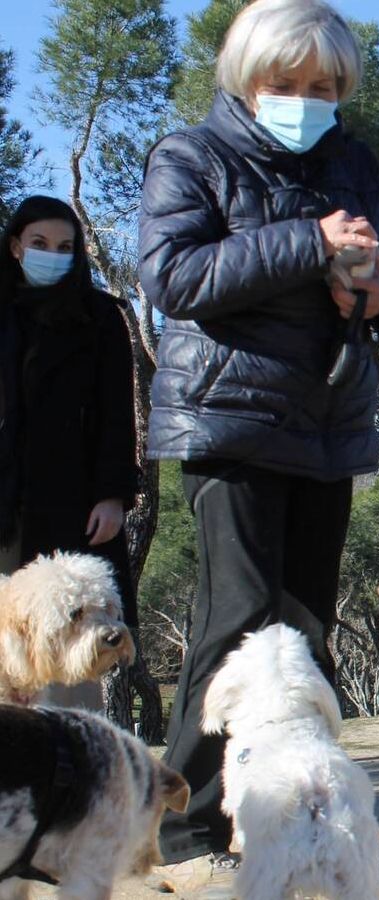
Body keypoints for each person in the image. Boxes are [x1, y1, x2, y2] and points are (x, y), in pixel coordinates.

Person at [136, 0, 379, 892]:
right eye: (285, 83)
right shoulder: (191, 156)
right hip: (230, 424)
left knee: (305, 627)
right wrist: (309, 242)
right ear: (245, 78)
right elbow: (173, 278)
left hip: (329, 424)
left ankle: (300, 827)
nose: (305, 98)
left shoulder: (355, 162)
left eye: (324, 86)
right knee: (237, 624)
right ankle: (183, 833)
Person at [0, 195, 140, 710]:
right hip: (5, 498)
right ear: (16, 246)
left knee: (73, 636)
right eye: (38, 243)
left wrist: (112, 495)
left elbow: (116, 415)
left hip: (73, 501)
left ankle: (73, 757)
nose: (50, 254)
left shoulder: (100, 316)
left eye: (63, 246)